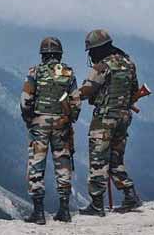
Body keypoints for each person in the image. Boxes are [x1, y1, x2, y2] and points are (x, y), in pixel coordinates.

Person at [77, 29, 143, 217]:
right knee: (115, 159)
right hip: (123, 117)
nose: (90, 54)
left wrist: (66, 97)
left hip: (105, 119)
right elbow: (134, 90)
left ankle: (97, 204)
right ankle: (130, 195)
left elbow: (87, 90)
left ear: (98, 49)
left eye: (91, 50)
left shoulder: (102, 66)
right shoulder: (129, 63)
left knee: (98, 160)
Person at [20, 37, 80, 224]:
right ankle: (64, 210)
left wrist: (30, 119)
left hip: (39, 122)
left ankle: (38, 212)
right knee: (63, 163)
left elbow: (25, 101)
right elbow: (75, 103)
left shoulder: (35, 72)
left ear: (43, 55)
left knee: (36, 164)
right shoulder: (69, 73)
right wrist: (68, 119)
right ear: (59, 54)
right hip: (62, 123)